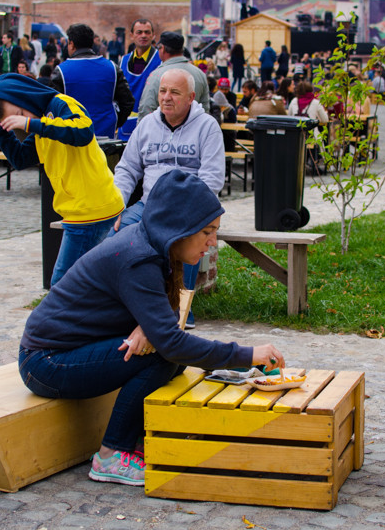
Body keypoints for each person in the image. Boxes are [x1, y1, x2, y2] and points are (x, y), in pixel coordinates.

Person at [18, 168, 284, 486]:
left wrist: (149, 328)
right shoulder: (138, 259)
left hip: (68, 350)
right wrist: (248, 354)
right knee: (162, 356)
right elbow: (171, 341)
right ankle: (110, 455)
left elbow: (168, 320)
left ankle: (138, 440)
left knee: (170, 358)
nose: (213, 243)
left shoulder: (156, 244)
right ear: (179, 227)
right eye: (206, 232)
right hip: (46, 361)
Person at [0, 73, 125, 284]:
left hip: (92, 209)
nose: (23, 121)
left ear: (24, 97)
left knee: (62, 284)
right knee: (83, 284)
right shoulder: (40, 125)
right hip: (81, 211)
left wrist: (31, 123)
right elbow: (20, 159)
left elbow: (84, 131)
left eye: (20, 113)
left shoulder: (60, 104)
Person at [112, 69, 225, 328]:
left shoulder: (207, 126)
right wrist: (117, 204)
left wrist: (185, 210)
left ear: (191, 97)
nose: (166, 97)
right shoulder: (147, 125)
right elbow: (127, 169)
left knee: (187, 236)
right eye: (163, 91)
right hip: (148, 205)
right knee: (116, 235)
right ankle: (124, 305)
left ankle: (180, 310)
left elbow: (212, 179)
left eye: (175, 92)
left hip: (191, 208)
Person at [50, 23, 136, 138]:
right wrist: (115, 122)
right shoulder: (112, 67)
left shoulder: (61, 71)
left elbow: (52, 107)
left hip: (73, 136)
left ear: (71, 44)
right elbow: (128, 101)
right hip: (106, 135)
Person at [137, 32, 210, 117]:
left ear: (162, 48)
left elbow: (146, 108)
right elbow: (204, 110)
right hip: (194, 128)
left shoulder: (157, 75)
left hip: (163, 129)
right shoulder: (200, 74)